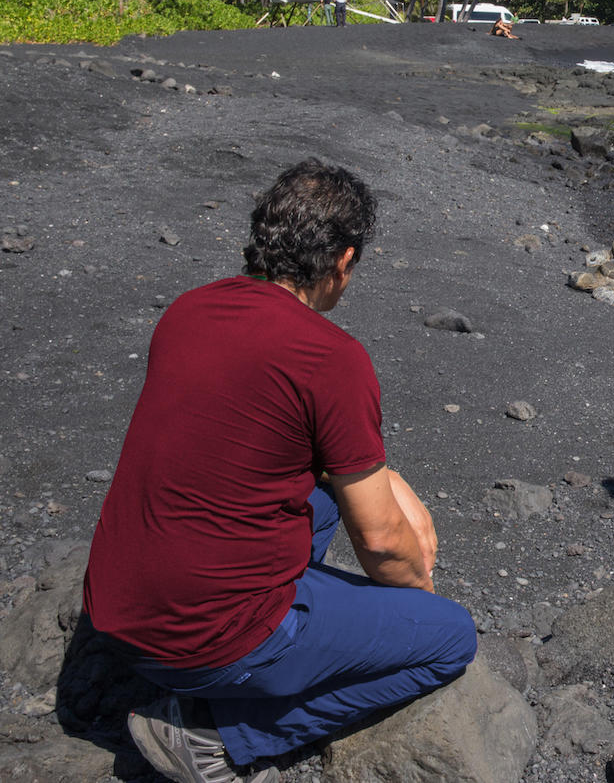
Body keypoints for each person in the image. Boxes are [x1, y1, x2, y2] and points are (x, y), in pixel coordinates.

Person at [83, 160, 476, 783]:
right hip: (199, 639)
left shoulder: (190, 309)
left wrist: (386, 475)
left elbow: (261, 441)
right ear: (343, 261)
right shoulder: (329, 357)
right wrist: (416, 606)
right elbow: (381, 544)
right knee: (451, 639)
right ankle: (217, 736)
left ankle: (257, 652)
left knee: (320, 504)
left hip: (114, 610)